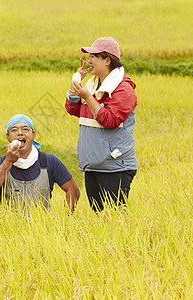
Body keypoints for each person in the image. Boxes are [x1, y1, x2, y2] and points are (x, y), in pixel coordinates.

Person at [65, 37, 138, 212]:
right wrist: (76, 85)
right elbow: (74, 110)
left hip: (115, 166)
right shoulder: (92, 85)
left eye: (94, 56)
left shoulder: (123, 89)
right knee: (99, 219)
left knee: (117, 218)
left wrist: (87, 97)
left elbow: (110, 120)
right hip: (93, 164)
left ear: (107, 60)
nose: (89, 61)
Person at [0, 114, 80, 213]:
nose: (20, 133)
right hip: (10, 227)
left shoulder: (49, 161)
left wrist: (64, 220)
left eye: (25, 129)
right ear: (8, 137)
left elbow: (73, 190)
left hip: (43, 227)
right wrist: (8, 161)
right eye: (14, 130)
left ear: (34, 135)